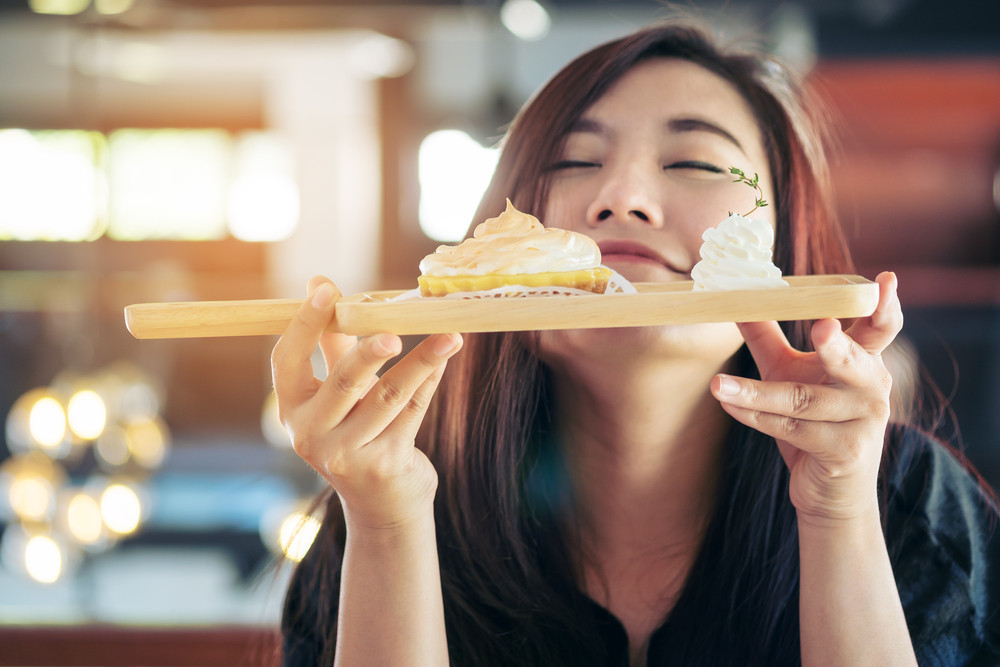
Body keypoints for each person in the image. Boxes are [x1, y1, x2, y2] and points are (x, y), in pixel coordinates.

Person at [272, 19, 1000, 667]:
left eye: (696, 163)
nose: (620, 197)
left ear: (782, 243)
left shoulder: (904, 501)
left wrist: (838, 511)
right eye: (571, 162)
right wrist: (389, 524)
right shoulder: (375, 504)